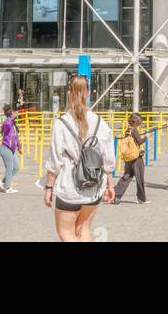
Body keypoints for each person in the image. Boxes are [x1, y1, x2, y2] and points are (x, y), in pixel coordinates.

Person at [44, 77, 115, 242]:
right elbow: (108, 158)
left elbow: (55, 160)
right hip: (95, 185)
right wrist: (110, 184)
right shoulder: (100, 122)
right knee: (83, 228)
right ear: (88, 93)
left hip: (70, 186)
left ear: (69, 93)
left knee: (66, 233)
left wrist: (49, 188)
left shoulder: (61, 123)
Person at [112, 112, 147, 205]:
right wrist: (146, 137)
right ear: (136, 122)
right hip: (136, 158)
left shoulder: (128, 130)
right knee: (140, 178)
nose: (140, 123)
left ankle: (116, 195)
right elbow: (139, 141)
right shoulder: (135, 130)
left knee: (126, 177)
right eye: (140, 121)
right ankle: (142, 199)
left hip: (129, 157)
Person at [0, 105, 21, 193]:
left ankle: (3, 182)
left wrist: (19, 146)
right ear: (10, 114)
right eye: (13, 113)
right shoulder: (7, 123)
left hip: (12, 149)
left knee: (16, 167)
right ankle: (7, 188)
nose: (15, 114)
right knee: (9, 168)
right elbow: (6, 126)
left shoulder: (13, 124)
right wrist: (11, 118)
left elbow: (16, 137)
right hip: (5, 148)